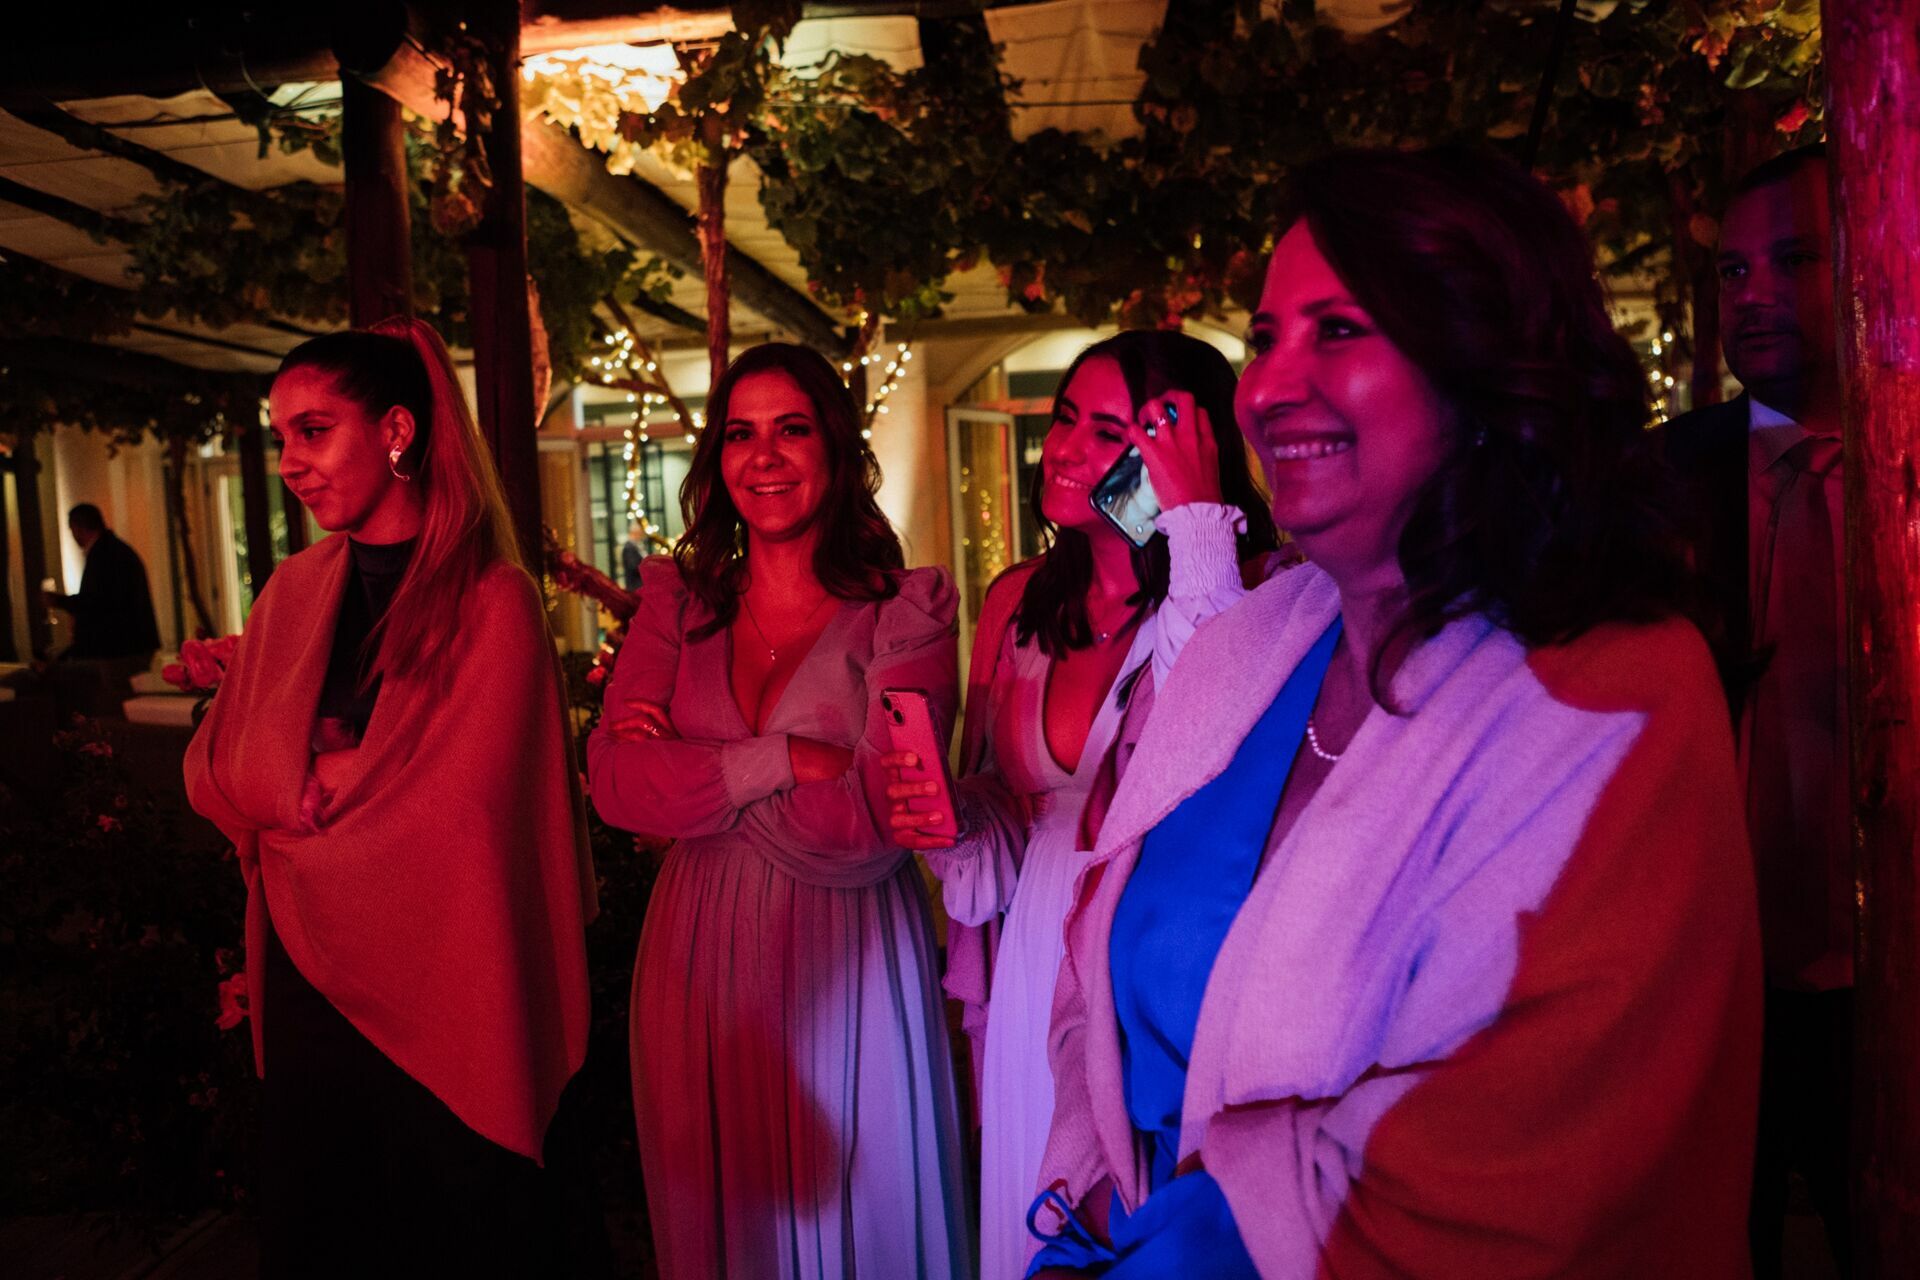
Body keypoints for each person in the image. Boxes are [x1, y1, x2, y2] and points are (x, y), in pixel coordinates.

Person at [1028, 148, 1761, 1278]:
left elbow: (1510, 1183)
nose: (1268, 387)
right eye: (1266, 337)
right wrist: (1086, 1209)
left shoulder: (1611, 693)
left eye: (1340, 329)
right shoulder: (1247, 652)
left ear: (1484, 361)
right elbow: (1090, 999)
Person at [184, 318, 597, 1277]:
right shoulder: (291, 592)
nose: (290, 460)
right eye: (281, 434)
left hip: (447, 983)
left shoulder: (492, 602)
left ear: (399, 431)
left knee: (446, 1231)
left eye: (314, 431)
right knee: (331, 1227)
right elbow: (218, 769)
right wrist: (301, 777)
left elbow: (463, 817)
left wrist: (306, 777)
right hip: (310, 979)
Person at [885, 330, 1277, 1280]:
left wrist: (1194, 523)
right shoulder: (1020, 600)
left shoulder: (1256, 594)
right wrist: (950, 814)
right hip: (1033, 958)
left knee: (1136, 1218)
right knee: (1037, 1219)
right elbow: (1005, 810)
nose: (1065, 447)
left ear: (1178, 447)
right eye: (1065, 417)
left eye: (1109, 431)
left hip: (1151, 958)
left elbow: (1208, 762)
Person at [587, 342, 971, 1278]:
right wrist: (793, 758)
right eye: (740, 434)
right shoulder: (677, 607)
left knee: (852, 1226)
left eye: (791, 429)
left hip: (849, 961)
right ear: (717, 459)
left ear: (836, 448)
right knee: (726, 1235)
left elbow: (875, 818)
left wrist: (691, 768)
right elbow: (613, 784)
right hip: (695, 965)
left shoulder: (903, 614)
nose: (764, 456)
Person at [1664, 144, 1851, 1279]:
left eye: (1794, 259)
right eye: (1733, 273)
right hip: (1711, 976)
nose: (1756, 297)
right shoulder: (1660, 482)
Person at [45, 502, 161, 662]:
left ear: (77, 527)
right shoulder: (115, 550)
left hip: (118, 647)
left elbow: (95, 601)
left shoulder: (103, 555)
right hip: (131, 643)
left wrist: (58, 601)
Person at [621, 520, 646, 590]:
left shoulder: (635, 546)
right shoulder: (629, 548)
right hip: (635, 585)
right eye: (640, 534)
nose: (641, 536)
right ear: (635, 533)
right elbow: (633, 566)